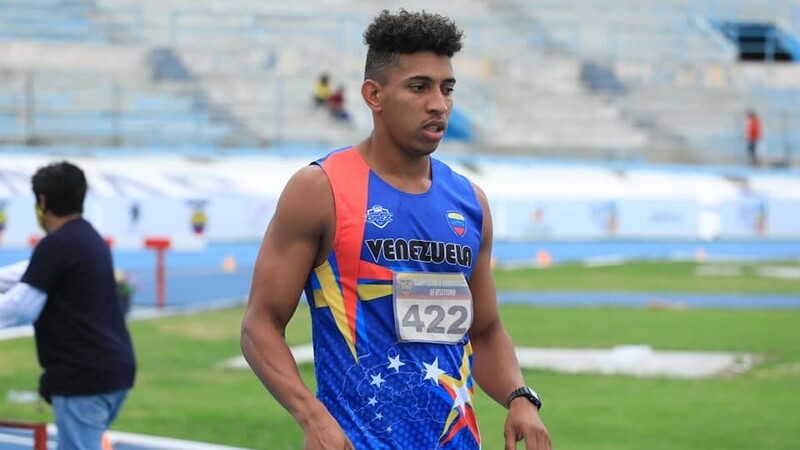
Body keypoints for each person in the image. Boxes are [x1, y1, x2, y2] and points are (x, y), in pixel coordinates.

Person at [241, 9, 551, 450]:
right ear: (374, 95)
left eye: (447, 89)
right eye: (419, 87)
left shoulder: (470, 203)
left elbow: (484, 331)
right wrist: (311, 416)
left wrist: (520, 398)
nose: (438, 104)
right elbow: (260, 324)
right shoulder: (321, 190)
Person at [0, 161, 136, 450]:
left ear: (42, 202)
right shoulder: (86, 238)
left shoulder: (57, 245)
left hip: (83, 378)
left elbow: (21, 306)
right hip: (110, 372)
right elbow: (28, 274)